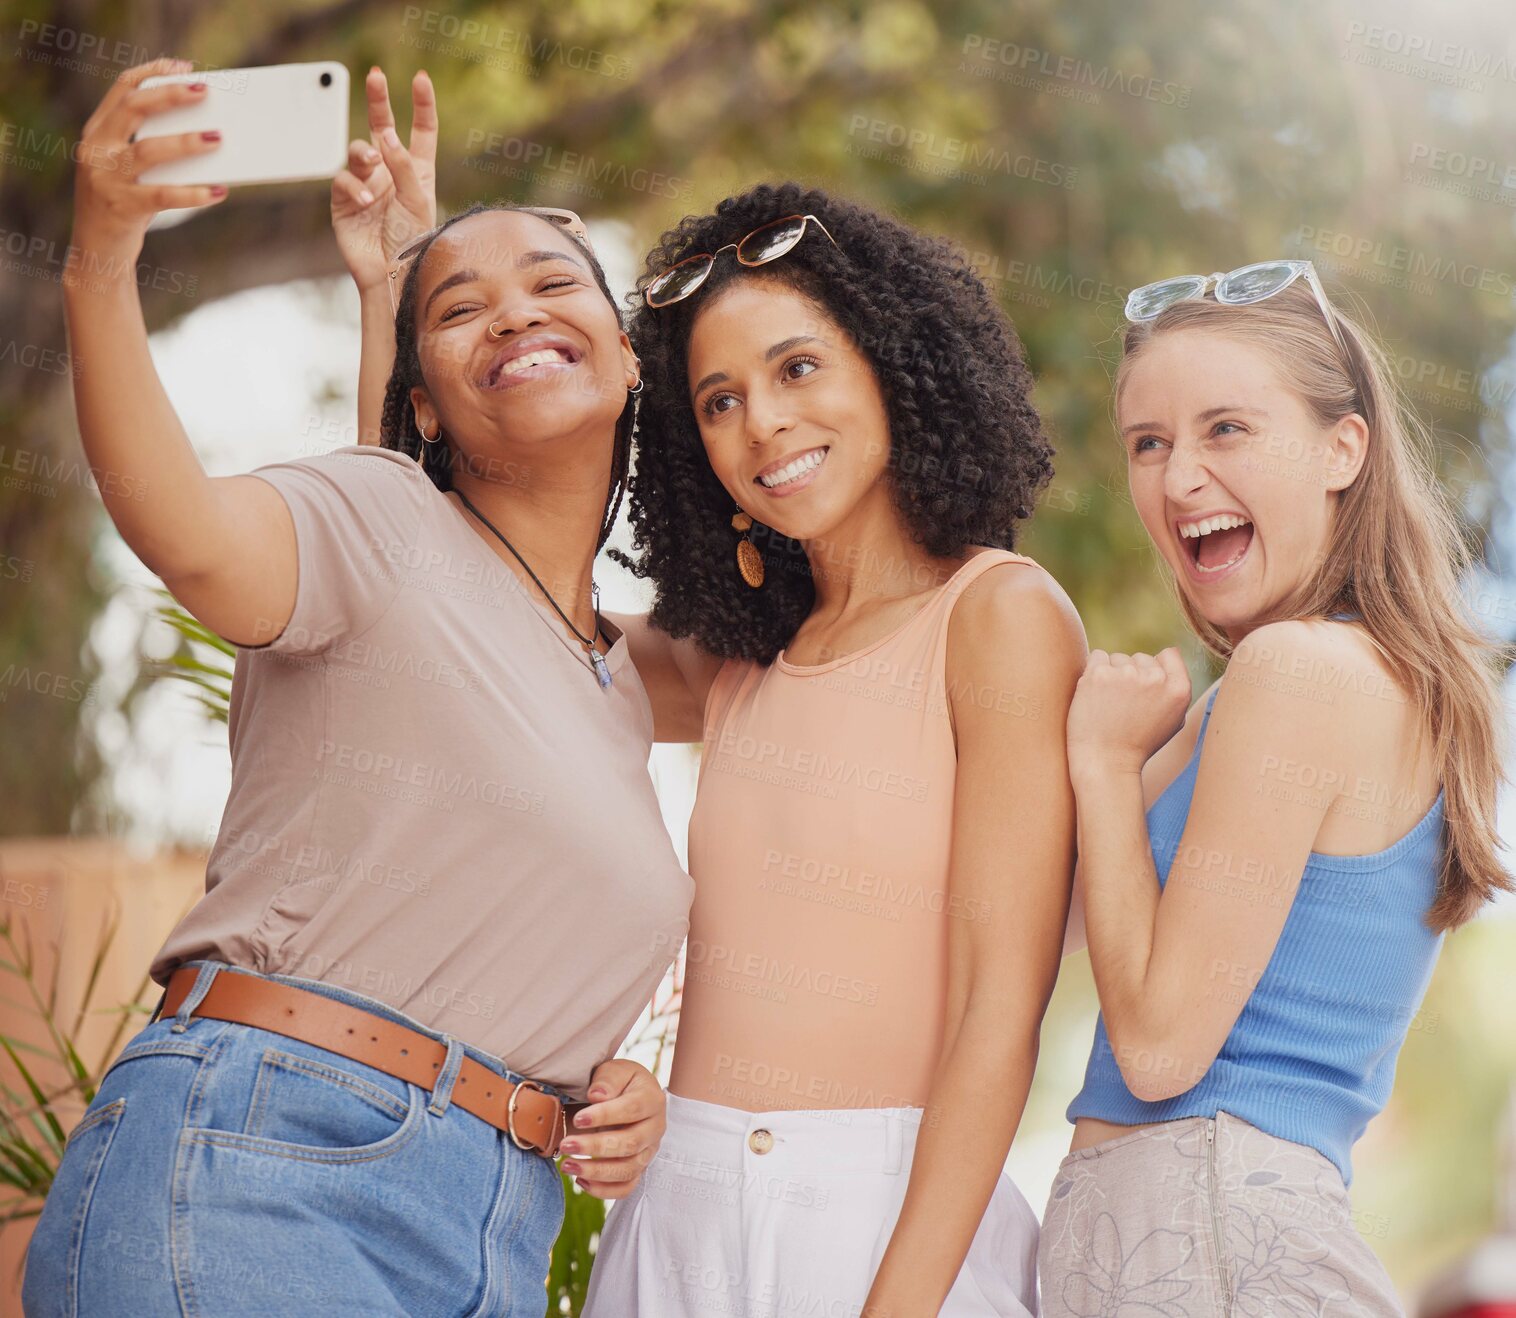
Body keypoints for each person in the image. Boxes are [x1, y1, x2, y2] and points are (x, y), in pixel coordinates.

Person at [23, 61, 687, 1318]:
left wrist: (601, 1100)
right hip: (263, 1164)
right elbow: (191, 533)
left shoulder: (610, 674)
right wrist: (100, 263)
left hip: (491, 1220)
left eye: (552, 284)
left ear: (631, 357)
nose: (514, 314)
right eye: (462, 311)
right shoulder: (377, 516)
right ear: (424, 407)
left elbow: (831, 662)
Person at [582, 182, 1085, 1316]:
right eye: (717, 401)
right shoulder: (737, 659)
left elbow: (997, 1015)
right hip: (676, 1220)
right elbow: (499, 616)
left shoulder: (998, 615)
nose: (760, 423)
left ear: (892, 365)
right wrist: (398, 299)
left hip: (888, 1226)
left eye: (797, 368)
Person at [1041, 262, 1513, 1315]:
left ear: (1343, 448)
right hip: (1185, 1234)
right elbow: (1039, 927)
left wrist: (1108, 770)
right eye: (1148, 443)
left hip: (1201, 1231)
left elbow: (1159, 1048)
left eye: (1226, 430)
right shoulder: (1257, 696)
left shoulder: (1296, 673)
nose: (1177, 478)